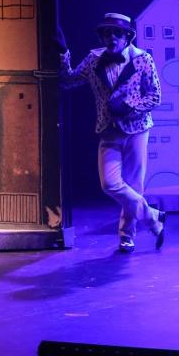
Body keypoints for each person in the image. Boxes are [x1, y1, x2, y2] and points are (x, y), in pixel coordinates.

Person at [55, 13, 166, 253]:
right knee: (109, 183)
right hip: (108, 130)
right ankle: (152, 216)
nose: (111, 37)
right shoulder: (94, 60)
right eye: (106, 33)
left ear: (127, 36)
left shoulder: (142, 59)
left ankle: (127, 236)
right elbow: (68, 80)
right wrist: (63, 53)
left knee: (134, 185)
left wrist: (131, 107)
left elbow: (155, 96)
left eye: (116, 33)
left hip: (137, 129)